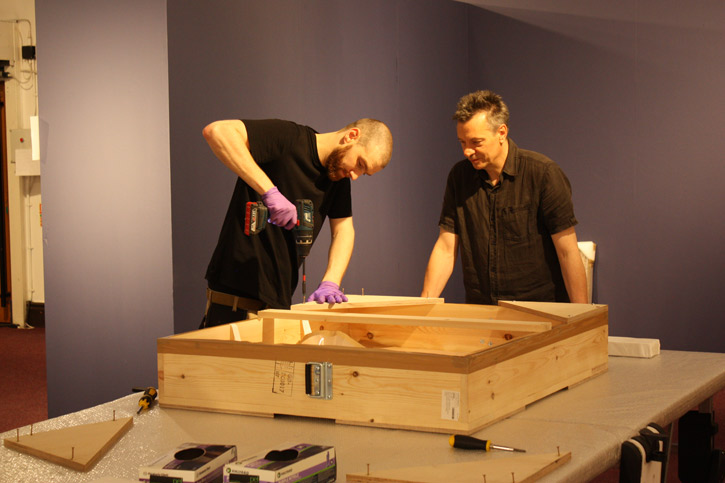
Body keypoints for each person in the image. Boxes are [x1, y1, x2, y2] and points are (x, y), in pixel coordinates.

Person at [201, 118, 393, 327]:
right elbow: (217, 131)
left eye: (364, 173)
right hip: (233, 299)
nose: (355, 175)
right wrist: (269, 191)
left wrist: (331, 281)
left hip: (276, 303)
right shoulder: (290, 138)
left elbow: (344, 229)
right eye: (360, 163)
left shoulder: (337, 180)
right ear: (351, 136)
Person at [421, 90, 587, 304]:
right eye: (462, 142)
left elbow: (567, 251)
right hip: (482, 311)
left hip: (539, 310)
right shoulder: (459, 177)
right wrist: (424, 305)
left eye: (476, 142)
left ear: (501, 132)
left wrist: (581, 317)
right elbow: (445, 247)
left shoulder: (543, 174)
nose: (467, 151)